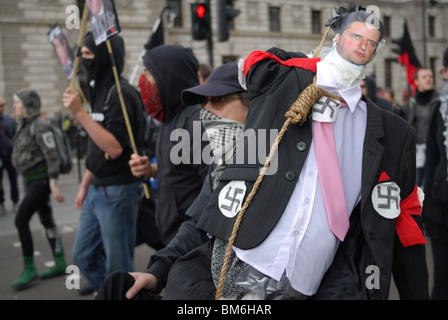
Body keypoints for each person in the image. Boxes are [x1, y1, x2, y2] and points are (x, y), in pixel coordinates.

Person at [161, 3, 429, 300]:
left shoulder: (393, 132)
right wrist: (308, 67)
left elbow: (406, 221)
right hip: (239, 265)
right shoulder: (283, 86)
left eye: (371, 42)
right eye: (355, 36)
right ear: (336, 37)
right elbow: (254, 65)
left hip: (312, 284)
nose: (362, 46)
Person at [95, 61, 250, 300]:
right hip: (196, 273)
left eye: (218, 101)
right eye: (203, 103)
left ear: (255, 104)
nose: (206, 113)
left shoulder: (284, 164)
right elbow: (200, 222)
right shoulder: (221, 163)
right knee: (117, 289)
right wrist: (156, 272)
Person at [62, 32, 146, 293]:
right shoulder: (98, 90)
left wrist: (79, 113)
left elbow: (113, 147)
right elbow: (96, 147)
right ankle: (110, 293)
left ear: (103, 57)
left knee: (119, 267)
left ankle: (120, 292)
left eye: (87, 54)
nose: (82, 60)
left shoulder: (120, 94)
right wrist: (85, 184)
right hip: (97, 189)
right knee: (83, 255)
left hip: (118, 191)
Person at [129, 44, 209, 246]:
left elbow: (213, 190)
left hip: (191, 245)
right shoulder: (169, 119)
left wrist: (184, 242)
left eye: (147, 73)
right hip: (173, 238)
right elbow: (182, 171)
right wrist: (152, 170)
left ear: (169, 77)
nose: (142, 81)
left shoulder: (196, 123)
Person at [10, 89, 68, 290]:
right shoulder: (24, 125)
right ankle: (60, 261)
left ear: (28, 106)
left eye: (18, 103)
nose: (15, 106)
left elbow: (51, 155)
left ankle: (29, 268)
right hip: (31, 180)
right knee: (47, 220)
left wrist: (53, 184)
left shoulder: (40, 125)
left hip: (40, 182)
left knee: (20, 220)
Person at [422, 47, 448, 300]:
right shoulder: (438, 110)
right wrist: (427, 205)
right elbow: (432, 160)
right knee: (442, 279)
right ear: (445, 72)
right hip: (443, 208)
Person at [406, 67, 439, 186]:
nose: (428, 79)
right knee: (417, 184)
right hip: (416, 151)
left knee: (432, 184)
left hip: (434, 150)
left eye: (430, 76)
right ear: (416, 81)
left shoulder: (439, 101)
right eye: (424, 77)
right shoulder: (411, 103)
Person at [0, 96, 19, 215]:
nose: (2, 107)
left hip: (9, 154)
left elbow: (16, 136)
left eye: (2, 105)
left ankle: (15, 202)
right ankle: (1, 203)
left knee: (13, 179)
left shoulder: (9, 120)